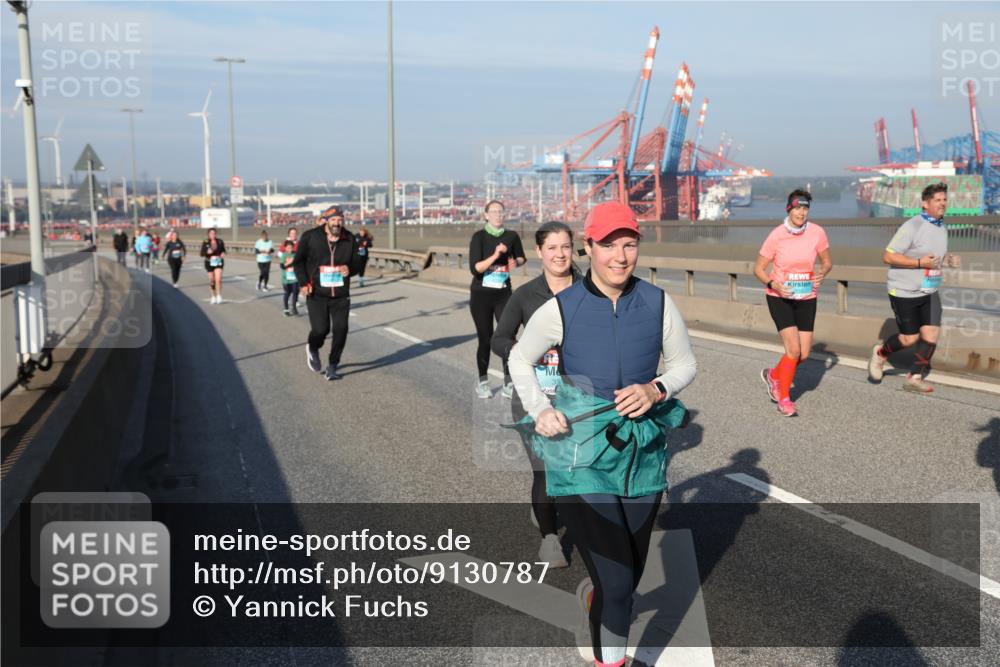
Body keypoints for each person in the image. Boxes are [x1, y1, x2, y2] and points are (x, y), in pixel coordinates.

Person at [508, 201, 697, 666]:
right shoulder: (560, 308)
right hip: (581, 451)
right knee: (617, 585)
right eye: (608, 245)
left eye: (629, 244)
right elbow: (519, 359)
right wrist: (540, 408)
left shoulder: (657, 301)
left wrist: (656, 389)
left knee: (627, 579)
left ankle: (597, 601)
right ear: (588, 248)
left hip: (642, 454)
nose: (620, 255)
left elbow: (685, 365)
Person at [492, 221, 580, 568]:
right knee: (546, 471)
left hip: (581, 395)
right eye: (552, 248)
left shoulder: (591, 291)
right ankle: (549, 540)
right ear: (540, 253)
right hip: (535, 394)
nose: (560, 254)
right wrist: (526, 351)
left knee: (578, 469)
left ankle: (563, 515)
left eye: (565, 247)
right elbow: (499, 339)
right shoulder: (526, 295)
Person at [868, 182, 960, 393]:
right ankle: (881, 353)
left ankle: (914, 377)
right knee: (909, 339)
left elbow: (933, 256)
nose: (943, 203)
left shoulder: (941, 225)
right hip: (903, 290)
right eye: (937, 200)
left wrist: (948, 260)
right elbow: (888, 256)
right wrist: (919, 264)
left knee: (931, 335)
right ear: (925, 203)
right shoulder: (913, 226)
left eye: (944, 199)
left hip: (928, 290)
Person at [753, 189, 833, 417]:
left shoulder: (817, 233)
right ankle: (784, 398)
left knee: (804, 354)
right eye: (798, 207)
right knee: (793, 350)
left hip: (807, 297)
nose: (802, 212)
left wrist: (823, 271)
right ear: (789, 209)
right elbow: (758, 268)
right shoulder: (777, 235)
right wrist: (772, 283)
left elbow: (827, 261)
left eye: (805, 207)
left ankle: (774, 376)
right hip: (780, 297)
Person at [293, 206, 363, 380]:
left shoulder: (349, 239)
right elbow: (298, 262)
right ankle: (313, 347)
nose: (337, 223)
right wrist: (303, 283)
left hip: (340, 295)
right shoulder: (311, 237)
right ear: (326, 220)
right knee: (321, 329)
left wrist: (350, 268)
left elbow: (357, 263)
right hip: (316, 293)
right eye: (333, 220)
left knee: (341, 330)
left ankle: (333, 365)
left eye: (340, 220)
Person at [469, 200, 526, 398]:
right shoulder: (479, 237)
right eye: (493, 212)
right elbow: (475, 268)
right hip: (481, 295)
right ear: (486, 215)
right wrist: (496, 255)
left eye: (501, 211)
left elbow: (521, 258)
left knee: (507, 338)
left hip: (503, 293)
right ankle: (483, 381)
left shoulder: (511, 236)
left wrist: (515, 261)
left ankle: (508, 383)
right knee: (485, 339)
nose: (498, 215)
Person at [199, 227, 227, 304]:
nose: (213, 235)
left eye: (214, 233)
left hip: (218, 262)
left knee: (218, 279)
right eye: (211, 233)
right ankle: (213, 296)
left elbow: (223, 250)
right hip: (209, 262)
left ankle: (219, 295)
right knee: (212, 280)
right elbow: (201, 253)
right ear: (208, 234)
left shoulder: (220, 241)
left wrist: (223, 253)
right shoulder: (205, 242)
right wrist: (207, 252)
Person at [278, 240, 300, 316]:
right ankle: (286, 309)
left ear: (293, 247)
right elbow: (282, 266)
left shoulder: (295, 254)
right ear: (285, 248)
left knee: (295, 293)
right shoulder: (284, 255)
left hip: (295, 278)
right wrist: (290, 263)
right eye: (288, 248)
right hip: (286, 279)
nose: (290, 249)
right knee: (287, 293)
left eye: (291, 247)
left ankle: (294, 308)